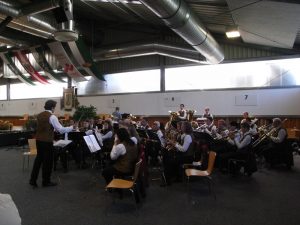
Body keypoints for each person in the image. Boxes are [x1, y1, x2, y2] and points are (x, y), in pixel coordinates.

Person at [29, 100, 76, 188]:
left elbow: (44, 127)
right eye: (54, 107)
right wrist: (71, 127)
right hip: (47, 142)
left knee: (38, 160)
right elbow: (61, 130)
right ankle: (46, 181)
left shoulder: (39, 115)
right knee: (48, 162)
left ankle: (33, 180)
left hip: (38, 140)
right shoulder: (52, 117)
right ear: (52, 107)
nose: (55, 109)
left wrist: (53, 129)